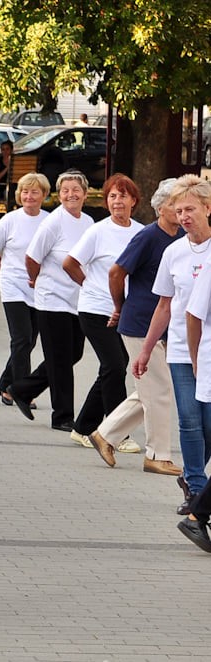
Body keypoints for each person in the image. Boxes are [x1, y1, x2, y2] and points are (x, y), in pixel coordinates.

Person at [86, 178, 182, 473]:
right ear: (160, 207)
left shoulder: (179, 237)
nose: (179, 210)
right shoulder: (148, 236)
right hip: (140, 321)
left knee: (150, 390)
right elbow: (116, 272)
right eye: (174, 204)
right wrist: (119, 306)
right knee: (161, 390)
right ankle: (157, 455)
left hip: (165, 323)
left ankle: (106, 434)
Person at [136, 175, 211, 515]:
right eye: (178, 211)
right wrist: (147, 349)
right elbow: (164, 305)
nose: (184, 217)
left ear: (207, 208)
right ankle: (195, 486)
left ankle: (197, 483)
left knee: (208, 422)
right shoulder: (173, 252)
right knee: (189, 421)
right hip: (181, 349)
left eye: (190, 209)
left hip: (209, 351)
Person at [8, 170, 95, 432]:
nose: (71, 194)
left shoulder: (89, 221)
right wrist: (36, 280)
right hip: (51, 300)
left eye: (75, 189)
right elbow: (32, 258)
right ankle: (62, 417)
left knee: (73, 354)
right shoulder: (54, 222)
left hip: (77, 300)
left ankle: (21, 389)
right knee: (59, 359)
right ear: (59, 195)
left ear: (85, 193)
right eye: (65, 190)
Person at [63, 174, 145, 444]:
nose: (117, 201)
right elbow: (70, 263)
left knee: (112, 368)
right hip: (96, 309)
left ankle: (83, 426)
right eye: (112, 196)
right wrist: (91, 285)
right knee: (114, 365)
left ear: (133, 200)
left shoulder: (140, 232)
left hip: (125, 311)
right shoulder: (97, 231)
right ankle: (115, 434)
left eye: (122, 196)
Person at [0, 173, 51, 410]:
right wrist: (6, 271)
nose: (29, 196)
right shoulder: (9, 220)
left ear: (44, 195)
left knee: (30, 340)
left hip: (39, 287)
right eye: (24, 191)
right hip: (13, 286)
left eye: (34, 192)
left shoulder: (49, 221)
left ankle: (5, 382)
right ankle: (23, 391)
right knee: (21, 338)